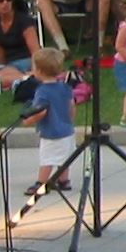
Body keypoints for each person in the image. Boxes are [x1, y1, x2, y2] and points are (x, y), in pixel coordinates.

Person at [14, 48, 77, 197]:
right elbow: (72, 105)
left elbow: (41, 111)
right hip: (67, 129)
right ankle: (64, 180)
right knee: (64, 157)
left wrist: (28, 120)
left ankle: (40, 183)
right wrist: (70, 120)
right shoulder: (65, 87)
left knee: (47, 158)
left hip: (51, 131)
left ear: (40, 71)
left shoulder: (42, 91)